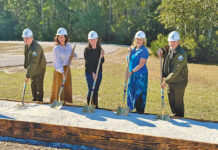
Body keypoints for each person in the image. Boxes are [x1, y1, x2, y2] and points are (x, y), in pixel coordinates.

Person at [157, 31, 188, 117]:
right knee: (171, 99)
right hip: (171, 81)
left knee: (178, 101)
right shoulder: (170, 48)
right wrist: (161, 50)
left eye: (174, 41)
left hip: (179, 81)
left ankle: (180, 117)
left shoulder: (181, 54)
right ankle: (175, 115)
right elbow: (165, 49)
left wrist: (166, 81)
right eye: (170, 41)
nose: (172, 43)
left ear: (178, 42)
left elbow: (176, 71)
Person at [50, 28, 76, 104]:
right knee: (59, 86)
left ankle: (64, 102)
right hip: (59, 70)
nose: (60, 38)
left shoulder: (69, 46)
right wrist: (62, 72)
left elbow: (72, 54)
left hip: (67, 68)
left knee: (66, 87)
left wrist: (73, 55)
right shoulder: (56, 48)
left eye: (62, 37)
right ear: (57, 38)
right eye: (59, 37)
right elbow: (57, 62)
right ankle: (57, 101)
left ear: (65, 37)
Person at [127, 31, 149, 114]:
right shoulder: (133, 49)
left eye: (140, 39)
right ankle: (130, 108)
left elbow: (141, 64)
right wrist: (129, 52)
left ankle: (139, 111)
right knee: (131, 91)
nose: (138, 41)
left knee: (139, 92)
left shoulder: (144, 50)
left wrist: (131, 72)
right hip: (132, 74)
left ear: (143, 40)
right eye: (137, 39)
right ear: (135, 39)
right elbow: (129, 62)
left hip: (140, 75)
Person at [22, 28, 46, 102]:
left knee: (38, 84)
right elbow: (27, 57)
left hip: (39, 68)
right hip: (33, 67)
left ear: (32, 38)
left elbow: (34, 62)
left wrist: (27, 75)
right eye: (24, 38)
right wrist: (27, 67)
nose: (25, 40)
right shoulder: (26, 45)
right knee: (33, 84)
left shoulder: (36, 48)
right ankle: (35, 99)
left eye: (27, 38)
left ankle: (40, 100)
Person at [84, 31, 105, 109]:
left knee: (96, 90)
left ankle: (95, 106)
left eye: (94, 39)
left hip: (99, 73)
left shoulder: (100, 49)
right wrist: (93, 73)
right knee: (91, 89)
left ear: (97, 39)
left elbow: (102, 62)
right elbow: (88, 63)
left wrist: (102, 56)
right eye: (90, 39)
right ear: (89, 40)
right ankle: (89, 104)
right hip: (89, 73)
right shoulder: (87, 50)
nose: (92, 41)